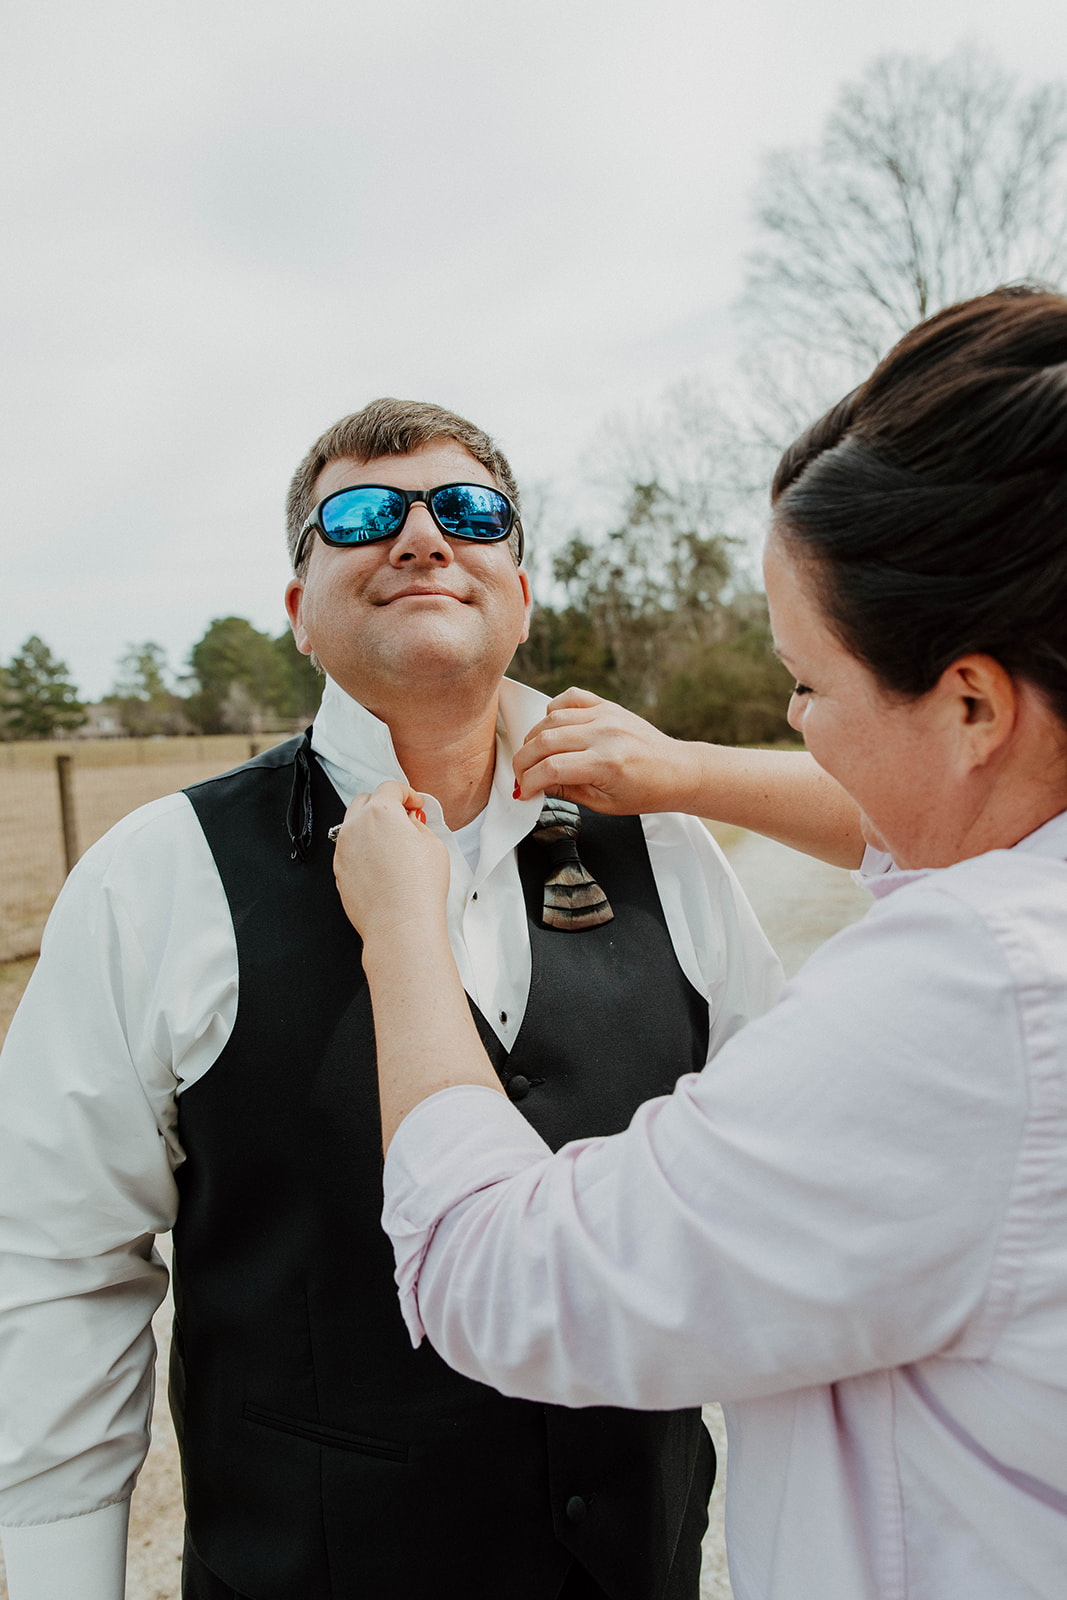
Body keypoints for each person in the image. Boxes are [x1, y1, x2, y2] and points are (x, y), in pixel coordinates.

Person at [331, 291, 1067, 1600]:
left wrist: (400, 930)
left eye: (806, 685)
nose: (794, 725)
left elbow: (494, 1270)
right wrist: (681, 772)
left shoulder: (979, 993)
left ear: (967, 701)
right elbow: (961, 822)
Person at [0, 399, 785, 1600]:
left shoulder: (667, 846)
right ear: (298, 613)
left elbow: (780, 1184)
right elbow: (56, 1264)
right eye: (362, 516)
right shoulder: (157, 873)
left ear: (518, 592)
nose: (421, 536)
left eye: (470, 511)